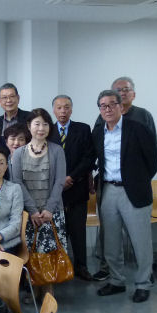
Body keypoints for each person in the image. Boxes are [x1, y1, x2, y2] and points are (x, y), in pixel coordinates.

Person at [92, 90, 157, 303]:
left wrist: (138, 180)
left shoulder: (138, 128)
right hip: (108, 190)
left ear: (121, 106)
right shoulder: (98, 132)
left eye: (112, 104)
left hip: (134, 191)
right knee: (111, 241)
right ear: (100, 110)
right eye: (103, 105)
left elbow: (152, 159)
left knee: (141, 242)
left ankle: (143, 283)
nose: (108, 109)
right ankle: (116, 281)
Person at [11, 108, 67, 296]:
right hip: (29, 214)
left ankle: (49, 291)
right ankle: (34, 289)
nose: (41, 128)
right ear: (29, 126)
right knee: (32, 253)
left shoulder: (57, 150)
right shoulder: (18, 153)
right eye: (37, 124)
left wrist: (49, 209)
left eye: (45, 124)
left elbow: (60, 181)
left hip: (52, 212)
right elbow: (17, 182)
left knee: (49, 253)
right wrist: (33, 211)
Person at [48, 95, 95, 281]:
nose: (63, 111)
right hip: (55, 192)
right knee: (57, 233)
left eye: (66, 107)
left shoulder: (83, 129)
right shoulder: (48, 131)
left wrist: (71, 177)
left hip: (77, 187)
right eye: (59, 108)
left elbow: (89, 157)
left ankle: (81, 267)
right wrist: (60, 180)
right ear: (53, 110)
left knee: (78, 231)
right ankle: (59, 269)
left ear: (72, 109)